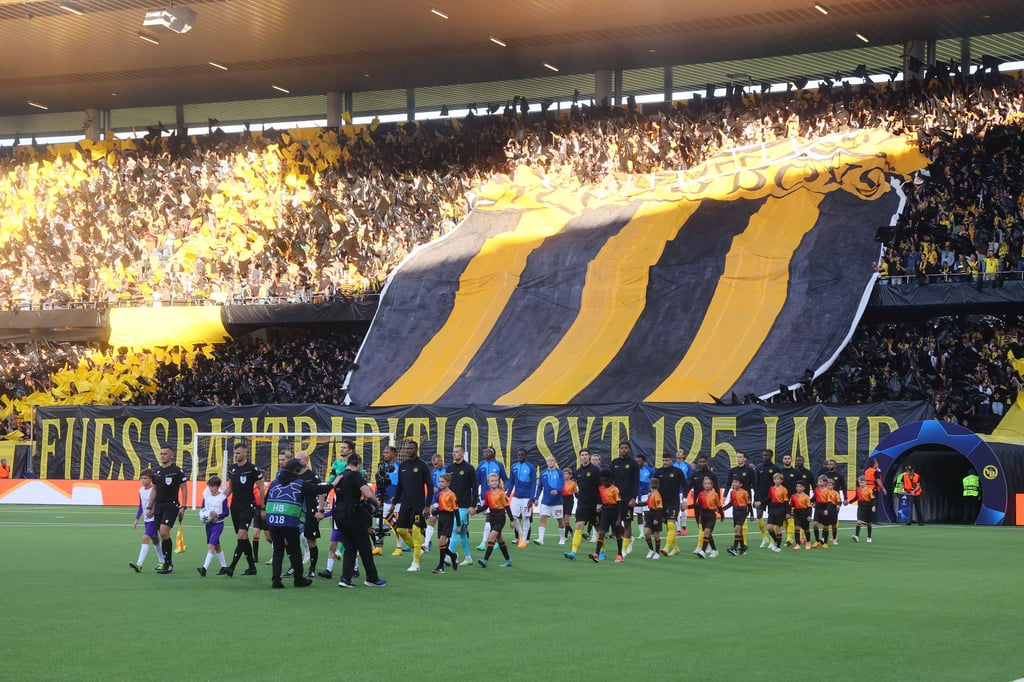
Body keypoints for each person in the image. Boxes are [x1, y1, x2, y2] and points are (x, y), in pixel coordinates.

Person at [264, 457, 332, 588]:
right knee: (295, 550)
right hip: (289, 520)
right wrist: (334, 483)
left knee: (277, 551)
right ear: (296, 470)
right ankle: (298, 579)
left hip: (273, 519)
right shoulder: (299, 483)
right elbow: (318, 490)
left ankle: (276, 581)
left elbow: (266, 499)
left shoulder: (274, 483)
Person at [332, 452, 387, 588]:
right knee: (364, 547)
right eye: (360, 466)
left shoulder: (340, 475)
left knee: (350, 547)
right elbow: (367, 494)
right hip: (353, 514)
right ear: (356, 464)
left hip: (339, 514)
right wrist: (377, 503)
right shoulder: (356, 476)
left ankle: (345, 578)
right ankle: (372, 578)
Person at [221, 443, 265, 577]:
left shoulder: (252, 469)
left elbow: (261, 488)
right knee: (243, 537)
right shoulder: (232, 469)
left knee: (241, 535)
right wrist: (218, 500)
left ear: (245, 453)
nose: (236, 455)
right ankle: (252, 567)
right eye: (235, 453)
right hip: (235, 506)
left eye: (238, 453)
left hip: (248, 506)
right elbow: (230, 488)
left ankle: (231, 567)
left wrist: (262, 507)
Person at [393, 439, 432, 572]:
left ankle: (416, 563)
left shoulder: (422, 465)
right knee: (400, 530)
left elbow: (430, 486)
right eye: (407, 449)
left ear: (416, 450)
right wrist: (394, 502)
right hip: (405, 504)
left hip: (418, 505)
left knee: (416, 531)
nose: (409, 451)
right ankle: (419, 549)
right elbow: (400, 486)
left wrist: (427, 506)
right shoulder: (402, 466)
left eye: (412, 449)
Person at [149, 444, 188, 574]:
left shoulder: (177, 471)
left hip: (171, 505)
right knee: (162, 534)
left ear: (172, 455)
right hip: (159, 506)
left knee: (164, 532)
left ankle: (168, 564)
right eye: (161, 453)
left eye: (165, 453)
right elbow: (154, 489)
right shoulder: (156, 471)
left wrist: (183, 505)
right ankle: (166, 562)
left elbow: (184, 487)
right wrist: (150, 506)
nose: (162, 456)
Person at [296, 451, 328, 579]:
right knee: (290, 539)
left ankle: (312, 568)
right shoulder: (293, 475)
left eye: (298, 459)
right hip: (295, 510)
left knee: (311, 540)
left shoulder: (312, 476)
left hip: (310, 510)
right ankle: (295, 567)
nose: (296, 461)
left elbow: (321, 493)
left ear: (305, 461)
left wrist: (320, 510)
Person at [445, 444, 478, 566]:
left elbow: (474, 488)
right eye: (453, 451)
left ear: (462, 453)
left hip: (464, 505)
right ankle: (468, 557)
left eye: (457, 451)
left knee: (455, 529)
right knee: (463, 533)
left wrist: (473, 505)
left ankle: (449, 556)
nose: (454, 453)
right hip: (451, 505)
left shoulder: (469, 468)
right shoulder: (449, 468)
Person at [565, 448, 600, 560]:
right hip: (582, 504)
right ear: (579, 457)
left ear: (589, 457)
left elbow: (600, 487)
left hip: (594, 504)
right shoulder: (578, 472)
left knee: (599, 529)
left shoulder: (595, 470)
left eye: (586, 455)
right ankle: (573, 552)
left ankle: (602, 552)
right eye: (582, 455)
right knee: (578, 526)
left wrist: (599, 503)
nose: (584, 456)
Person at [129, 468, 165, 572]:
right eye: (141, 478)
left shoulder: (154, 490)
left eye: (145, 478)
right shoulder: (140, 491)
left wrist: (154, 512)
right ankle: (162, 562)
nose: (142, 480)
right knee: (155, 540)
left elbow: (158, 504)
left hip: (154, 519)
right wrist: (136, 519)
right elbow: (141, 506)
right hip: (146, 519)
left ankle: (139, 564)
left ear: (150, 479)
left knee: (145, 538)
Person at [476, 473, 513, 568]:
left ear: (498, 482)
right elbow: (485, 506)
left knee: (491, 538)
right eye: (492, 481)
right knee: (500, 539)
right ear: (488, 483)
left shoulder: (501, 493)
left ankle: (485, 560)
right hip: (492, 518)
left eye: (496, 481)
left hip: (500, 518)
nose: (494, 482)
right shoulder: (488, 494)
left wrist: (512, 520)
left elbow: (507, 507)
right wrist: (475, 511)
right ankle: (508, 560)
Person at [475, 446, 508, 550]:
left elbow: (506, 479)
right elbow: (476, 481)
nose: (485, 453)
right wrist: (475, 495)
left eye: (488, 451)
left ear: (493, 453)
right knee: (493, 519)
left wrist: (506, 486)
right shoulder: (481, 465)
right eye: (484, 451)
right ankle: (498, 539)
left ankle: (483, 542)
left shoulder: (498, 465)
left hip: (496, 496)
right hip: (485, 495)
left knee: (489, 517)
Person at [610, 442, 639, 556]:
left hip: (628, 498)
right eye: (622, 448)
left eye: (626, 448)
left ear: (630, 450)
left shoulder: (633, 464)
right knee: (616, 523)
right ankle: (629, 538)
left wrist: (633, 498)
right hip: (616, 499)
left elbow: (636, 482)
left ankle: (624, 548)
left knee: (627, 523)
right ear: (619, 449)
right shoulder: (614, 463)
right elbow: (610, 481)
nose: (624, 450)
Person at [590, 469, 624, 563]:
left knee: (617, 534)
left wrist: (619, 518)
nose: (603, 482)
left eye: (605, 480)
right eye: (602, 480)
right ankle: (596, 553)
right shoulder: (600, 488)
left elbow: (619, 504)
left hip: (614, 511)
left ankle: (620, 554)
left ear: (610, 479)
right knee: (602, 532)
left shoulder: (615, 489)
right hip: (605, 511)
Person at [197, 475, 229, 576]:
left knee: (211, 546)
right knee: (217, 546)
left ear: (218, 486)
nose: (211, 488)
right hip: (208, 525)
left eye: (213, 486)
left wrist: (218, 515)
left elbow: (226, 512)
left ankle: (204, 568)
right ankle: (224, 567)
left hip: (218, 525)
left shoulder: (222, 498)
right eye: (209, 486)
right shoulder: (206, 497)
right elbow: (202, 510)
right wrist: (202, 516)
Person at [654, 452, 685, 556]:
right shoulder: (658, 472)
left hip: (674, 503)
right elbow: (653, 486)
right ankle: (676, 548)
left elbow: (686, 486)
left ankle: (666, 548)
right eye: (663, 460)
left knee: (671, 524)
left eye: (667, 460)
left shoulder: (677, 472)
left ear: (672, 460)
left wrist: (684, 500)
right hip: (662, 503)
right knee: (668, 526)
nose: (665, 462)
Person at [508, 447, 537, 548]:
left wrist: (531, 498)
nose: (520, 456)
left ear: (526, 456)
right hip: (516, 496)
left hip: (526, 497)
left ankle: (524, 540)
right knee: (513, 516)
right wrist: (507, 495)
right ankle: (521, 535)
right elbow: (511, 482)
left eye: (522, 455)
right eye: (519, 455)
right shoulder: (514, 467)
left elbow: (534, 483)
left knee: (526, 517)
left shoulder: (531, 467)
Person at [533, 455, 564, 546]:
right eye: (548, 460)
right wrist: (536, 498)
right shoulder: (543, 473)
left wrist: (557, 490)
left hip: (557, 501)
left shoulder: (559, 473)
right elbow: (539, 487)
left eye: (552, 460)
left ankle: (562, 538)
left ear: (555, 462)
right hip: (545, 501)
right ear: (546, 462)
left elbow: (561, 484)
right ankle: (540, 539)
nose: (550, 462)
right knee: (542, 518)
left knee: (560, 520)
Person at [432, 473, 460, 574]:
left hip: (448, 518)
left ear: (448, 483)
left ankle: (440, 566)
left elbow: (456, 510)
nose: (440, 483)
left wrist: (458, 525)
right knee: (441, 543)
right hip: (441, 518)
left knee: (442, 542)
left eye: (442, 482)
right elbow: (439, 505)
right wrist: (435, 511)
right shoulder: (440, 493)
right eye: (439, 481)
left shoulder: (452, 495)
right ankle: (453, 556)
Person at [688, 455, 717, 549]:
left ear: (707, 462)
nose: (702, 463)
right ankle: (709, 545)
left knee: (703, 525)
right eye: (700, 462)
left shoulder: (711, 475)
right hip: (697, 504)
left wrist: (717, 503)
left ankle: (700, 546)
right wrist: (684, 498)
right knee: (701, 525)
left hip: (708, 504)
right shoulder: (695, 474)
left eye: (704, 462)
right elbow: (689, 486)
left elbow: (716, 488)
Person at [753, 449, 780, 548]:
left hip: (773, 496)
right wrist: (756, 498)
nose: (765, 457)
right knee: (759, 515)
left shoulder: (776, 468)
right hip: (761, 496)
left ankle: (773, 540)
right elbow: (755, 484)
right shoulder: (758, 468)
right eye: (764, 455)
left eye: (767, 455)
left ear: (771, 456)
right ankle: (764, 537)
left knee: (772, 517)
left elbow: (779, 483)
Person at [692, 476, 724, 558]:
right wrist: (688, 507)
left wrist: (722, 515)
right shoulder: (701, 494)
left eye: (709, 483)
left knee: (706, 532)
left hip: (711, 515)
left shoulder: (715, 495)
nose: (707, 485)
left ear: (712, 485)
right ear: (703, 485)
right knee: (708, 534)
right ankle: (714, 550)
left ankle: (703, 551)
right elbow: (697, 505)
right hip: (703, 515)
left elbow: (719, 506)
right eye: (705, 483)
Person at [423, 453, 447, 552]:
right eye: (434, 464)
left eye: (437, 464)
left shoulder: (448, 470)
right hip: (436, 501)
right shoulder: (433, 472)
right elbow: (431, 488)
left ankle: (448, 545)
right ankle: (426, 543)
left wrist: (439, 490)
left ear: (441, 461)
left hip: (446, 500)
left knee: (447, 523)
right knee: (432, 519)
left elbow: (451, 485)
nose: (435, 466)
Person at [722, 477, 750, 556]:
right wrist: (723, 509)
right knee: (739, 531)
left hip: (742, 511)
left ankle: (734, 548)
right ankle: (742, 548)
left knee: (737, 528)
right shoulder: (732, 492)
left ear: (741, 484)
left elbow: (748, 503)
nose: (734, 484)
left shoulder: (744, 492)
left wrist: (751, 514)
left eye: (736, 482)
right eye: (733, 482)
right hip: (735, 512)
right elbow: (731, 503)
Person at [849, 475, 877, 543]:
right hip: (861, 507)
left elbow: (873, 499)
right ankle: (857, 536)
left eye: (862, 482)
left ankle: (869, 536)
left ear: (865, 482)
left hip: (868, 506)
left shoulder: (869, 490)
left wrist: (873, 506)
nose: (861, 484)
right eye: (860, 482)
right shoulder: (858, 489)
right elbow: (856, 497)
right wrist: (849, 502)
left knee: (869, 523)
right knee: (858, 521)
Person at [765, 472, 788, 553]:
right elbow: (769, 499)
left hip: (780, 509)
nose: (776, 480)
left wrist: (787, 512)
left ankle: (778, 546)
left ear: (781, 480)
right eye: (775, 479)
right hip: (772, 509)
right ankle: (775, 541)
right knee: (769, 527)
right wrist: (762, 504)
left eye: (778, 479)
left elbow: (785, 502)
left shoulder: (784, 489)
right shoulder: (771, 488)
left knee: (778, 528)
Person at [642, 476, 664, 559]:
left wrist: (657, 519)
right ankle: (651, 550)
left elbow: (660, 508)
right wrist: (636, 504)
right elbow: (646, 503)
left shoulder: (657, 495)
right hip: (650, 514)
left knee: (656, 535)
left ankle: (657, 553)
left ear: (650, 485)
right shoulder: (650, 494)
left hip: (656, 515)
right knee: (646, 533)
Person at [778, 454, 797, 545]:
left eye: (788, 458)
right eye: (785, 458)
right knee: (785, 519)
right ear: (782, 460)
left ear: (791, 460)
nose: (787, 460)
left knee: (791, 518)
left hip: (792, 499)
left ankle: (789, 539)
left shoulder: (796, 472)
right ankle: (789, 537)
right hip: (781, 500)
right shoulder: (780, 472)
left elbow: (800, 486)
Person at [672, 450, 692, 535]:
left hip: (684, 491)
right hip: (674, 491)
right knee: (676, 510)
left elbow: (690, 478)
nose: (678, 453)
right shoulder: (673, 465)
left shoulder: (687, 466)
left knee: (683, 509)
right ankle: (678, 529)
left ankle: (684, 526)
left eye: (680, 452)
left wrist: (690, 489)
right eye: (677, 452)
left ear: (684, 455)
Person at [789, 481, 812, 550]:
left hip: (804, 513)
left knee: (806, 530)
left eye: (800, 486)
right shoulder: (793, 496)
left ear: (804, 488)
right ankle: (797, 544)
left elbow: (809, 507)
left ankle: (808, 542)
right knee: (797, 528)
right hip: (797, 513)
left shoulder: (806, 497)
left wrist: (809, 515)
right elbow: (791, 505)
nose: (798, 488)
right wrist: (790, 512)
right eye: (797, 486)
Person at [812, 476, 833, 548]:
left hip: (825, 508)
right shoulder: (816, 489)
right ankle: (817, 541)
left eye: (820, 481)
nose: (818, 483)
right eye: (818, 481)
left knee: (825, 526)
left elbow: (829, 502)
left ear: (825, 482)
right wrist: (812, 502)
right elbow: (813, 498)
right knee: (815, 524)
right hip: (818, 509)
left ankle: (825, 542)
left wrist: (827, 510)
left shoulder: (828, 491)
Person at [635, 453, 655, 527]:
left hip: (646, 493)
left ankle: (649, 527)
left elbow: (652, 481)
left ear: (643, 461)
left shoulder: (649, 470)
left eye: (639, 461)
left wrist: (651, 492)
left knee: (647, 513)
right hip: (637, 494)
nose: (638, 463)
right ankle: (641, 533)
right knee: (639, 514)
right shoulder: (634, 470)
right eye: (637, 461)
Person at [560, 467, 577, 545]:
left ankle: (565, 536)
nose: (565, 475)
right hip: (562, 500)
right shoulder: (560, 482)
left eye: (566, 474)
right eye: (564, 473)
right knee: (562, 520)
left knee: (566, 519)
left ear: (570, 475)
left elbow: (576, 493)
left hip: (569, 500)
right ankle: (570, 531)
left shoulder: (573, 483)